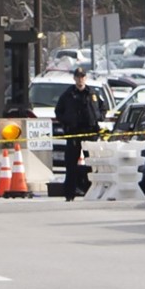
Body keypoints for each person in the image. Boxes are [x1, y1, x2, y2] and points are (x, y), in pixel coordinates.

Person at [54, 67, 103, 201]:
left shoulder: (92, 93)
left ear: (85, 78)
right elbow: (58, 112)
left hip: (90, 133)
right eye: (78, 77)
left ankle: (92, 192)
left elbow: (102, 108)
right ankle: (69, 194)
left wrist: (98, 118)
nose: (80, 79)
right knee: (71, 165)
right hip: (74, 134)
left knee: (92, 164)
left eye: (82, 77)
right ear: (74, 78)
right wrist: (66, 124)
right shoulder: (68, 94)